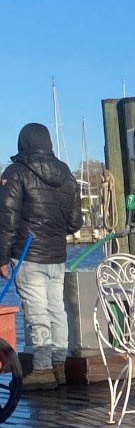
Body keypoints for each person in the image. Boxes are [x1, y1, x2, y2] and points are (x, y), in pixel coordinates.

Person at [0, 123, 83, 389]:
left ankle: (43, 369)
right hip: (56, 256)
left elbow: (6, 221)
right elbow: (75, 223)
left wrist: (1, 258)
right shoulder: (67, 175)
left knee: (36, 312)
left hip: (27, 254)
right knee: (56, 309)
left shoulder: (15, 173)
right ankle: (59, 367)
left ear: (22, 143)